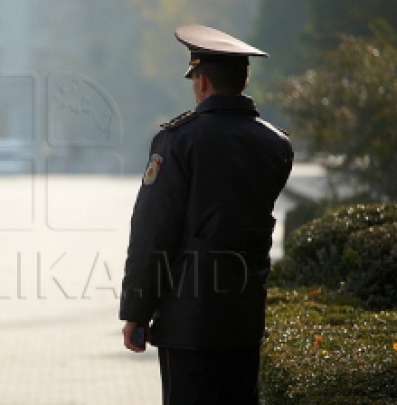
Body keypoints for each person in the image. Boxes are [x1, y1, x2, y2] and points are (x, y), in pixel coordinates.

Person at [119, 24, 293, 404]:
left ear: (201, 82)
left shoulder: (178, 140)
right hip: (245, 317)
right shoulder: (276, 144)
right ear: (244, 81)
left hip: (188, 320)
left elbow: (154, 230)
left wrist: (137, 310)